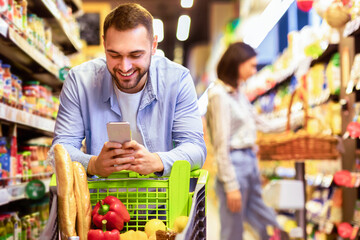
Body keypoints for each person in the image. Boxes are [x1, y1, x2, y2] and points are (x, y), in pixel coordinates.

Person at [51, 3, 207, 177]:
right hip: (101, 200)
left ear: (153, 45)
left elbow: (196, 148)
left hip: (161, 200)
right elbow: (59, 150)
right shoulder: (80, 81)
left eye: (135, 55)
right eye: (114, 55)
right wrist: (93, 165)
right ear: (104, 44)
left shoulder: (177, 80)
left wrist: (157, 161)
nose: (125, 67)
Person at [206, 42, 279, 240]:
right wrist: (231, 185)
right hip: (234, 164)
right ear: (237, 64)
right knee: (233, 228)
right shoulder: (219, 95)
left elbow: (262, 123)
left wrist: (296, 120)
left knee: (264, 218)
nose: (255, 70)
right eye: (252, 66)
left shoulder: (238, 93)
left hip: (249, 161)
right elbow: (221, 144)